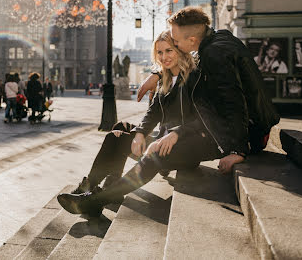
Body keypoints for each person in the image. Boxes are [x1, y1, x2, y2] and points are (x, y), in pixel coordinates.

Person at [57, 31, 238, 216]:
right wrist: (140, 134)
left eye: (169, 50)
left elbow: (206, 118)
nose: (164, 57)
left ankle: (97, 200)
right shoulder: (165, 80)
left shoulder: (195, 77)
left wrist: (176, 133)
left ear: (179, 50)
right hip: (164, 142)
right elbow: (152, 115)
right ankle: (88, 188)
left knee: (154, 154)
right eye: (159, 52)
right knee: (115, 137)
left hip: (189, 146)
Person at [137, 6, 280, 157]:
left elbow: (233, 102)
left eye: (176, 41)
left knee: (159, 155)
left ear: (192, 40)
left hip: (253, 134)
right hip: (260, 124)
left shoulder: (214, 54)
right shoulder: (219, 38)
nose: (175, 44)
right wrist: (158, 74)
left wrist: (237, 151)